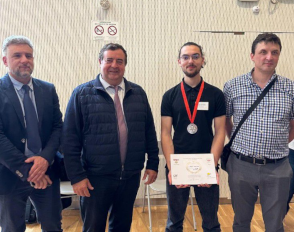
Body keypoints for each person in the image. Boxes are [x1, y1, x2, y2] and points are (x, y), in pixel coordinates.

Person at [62, 43, 159, 232]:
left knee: (122, 226)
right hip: (95, 178)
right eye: (109, 60)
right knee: (93, 227)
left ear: (125, 65)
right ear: (100, 62)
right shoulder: (82, 94)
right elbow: (69, 139)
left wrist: (153, 163)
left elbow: (149, 130)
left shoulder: (138, 93)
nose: (114, 65)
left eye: (119, 61)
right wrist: (77, 176)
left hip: (130, 176)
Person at [224, 33, 294, 232]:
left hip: (278, 167)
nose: (269, 57)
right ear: (252, 56)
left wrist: (276, 144)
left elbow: (293, 125)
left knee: (275, 225)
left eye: (274, 52)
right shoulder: (232, 86)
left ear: (279, 56)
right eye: (263, 52)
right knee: (241, 222)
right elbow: (225, 122)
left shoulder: (290, 88)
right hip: (240, 165)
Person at [161, 42, 226, 232]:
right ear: (179, 61)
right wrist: (173, 168)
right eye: (186, 57)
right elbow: (165, 133)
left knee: (211, 223)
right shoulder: (170, 96)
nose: (191, 61)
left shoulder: (215, 94)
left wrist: (211, 166)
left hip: (206, 163)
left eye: (196, 56)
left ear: (203, 60)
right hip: (178, 165)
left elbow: (220, 131)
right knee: (174, 223)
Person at [0, 35, 63, 231]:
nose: (24, 60)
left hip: (47, 171)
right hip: (9, 173)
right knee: (12, 228)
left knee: (53, 226)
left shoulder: (47, 89)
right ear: (5, 60)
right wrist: (30, 171)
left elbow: (57, 127)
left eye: (29, 55)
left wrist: (44, 159)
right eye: (17, 55)